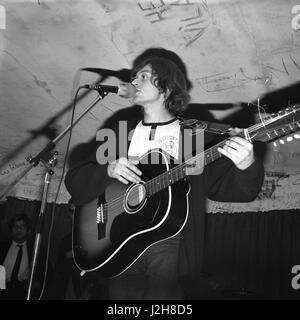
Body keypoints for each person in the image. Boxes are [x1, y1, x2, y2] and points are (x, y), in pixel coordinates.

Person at [64, 50, 264, 300]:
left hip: (170, 241)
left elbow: (240, 190)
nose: (134, 81)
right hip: (119, 243)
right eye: (134, 76)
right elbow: (75, 181)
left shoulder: (196, 136)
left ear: (167, 88)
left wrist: (247, 164)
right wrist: (107, 170)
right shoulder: (117, 134)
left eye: (144, 76)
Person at [0, 214, 53, 300]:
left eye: (23, 226)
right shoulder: (2, 247)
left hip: (25, 292)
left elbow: (48, 273)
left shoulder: (37, 249)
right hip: (2, 290)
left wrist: (36, 284)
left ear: (29, 230)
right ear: (11, 230)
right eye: (15, 226)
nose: (19, 229)